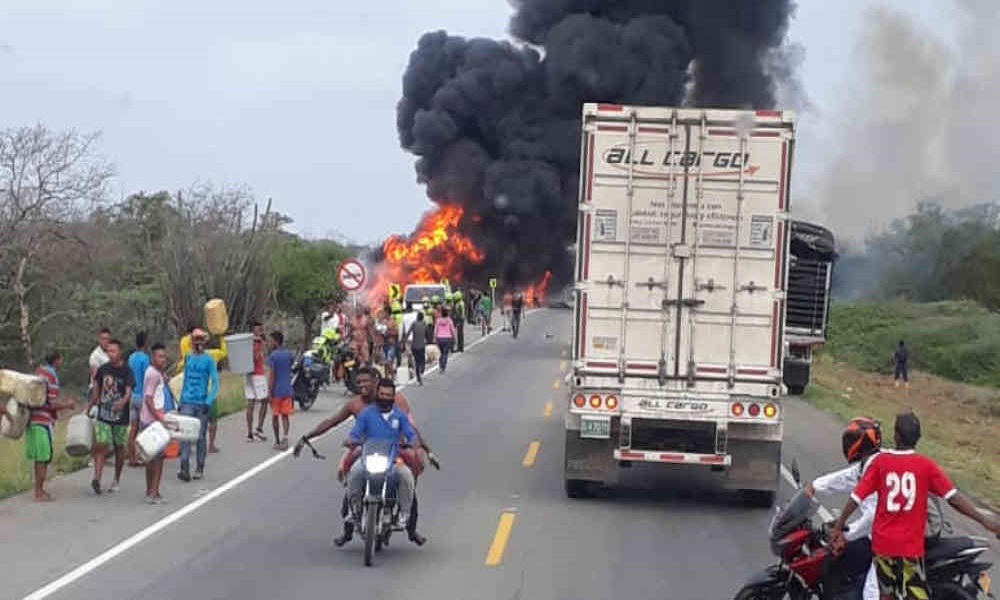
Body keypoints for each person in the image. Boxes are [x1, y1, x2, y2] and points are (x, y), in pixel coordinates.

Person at [831, 411, 1000, 600]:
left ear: (895, 436)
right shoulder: (926, 466)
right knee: (915, 594)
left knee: (885, 594)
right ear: (918, 438)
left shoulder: (880, 464)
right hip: (909, 548)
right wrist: (986, 522)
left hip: (884, 546)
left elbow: (856, 498)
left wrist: (838, 527)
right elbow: (954, 499)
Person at [294, 367, 437, 545]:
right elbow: (333, 422)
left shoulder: (396, 401)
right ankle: (349, 527)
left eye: (366, 381)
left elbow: (410, 427)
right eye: (359, 382)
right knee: (352, 477)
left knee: (407, 480)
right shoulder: (356, 405)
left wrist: (423, 449)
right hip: (366, 449)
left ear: (377, 382)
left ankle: (411, 528)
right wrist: (307, 437)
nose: (362, 385)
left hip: (395, 450)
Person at [804, 417, 884, 600]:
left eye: (850, 439)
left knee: (838, 563)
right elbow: (846, 478)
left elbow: (873, 516)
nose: (847, 444)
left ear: (860, 443)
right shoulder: (870, 462)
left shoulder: (876, 467)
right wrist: (814, 486)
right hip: (876, 534)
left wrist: (846, 536)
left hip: (881, 539)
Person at [342, 378, 418, 543]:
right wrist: (351, 440)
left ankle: (404, 515)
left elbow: (411, 434)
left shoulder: (399, 416)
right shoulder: (366, 414)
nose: (385, 397)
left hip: (393, 459)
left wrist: (412, 442)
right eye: (382, 394)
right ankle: (354, 511)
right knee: (354, 473)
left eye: (388, 395)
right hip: (368, 457)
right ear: (377, 394)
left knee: (406, 476)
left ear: (393, 397)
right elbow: (355, 433)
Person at [87, 339, 135, 495]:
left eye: (114, 351)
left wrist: (123, 402)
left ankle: (116, 479)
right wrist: (91, 405)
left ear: (120, 352)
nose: (111, 354)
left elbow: (128, 391)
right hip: (104, 414)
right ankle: (97, 478)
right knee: (102, 444)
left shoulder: (127, 370)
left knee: (119, 447)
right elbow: (97, 388)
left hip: (121, 417)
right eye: (108, 351)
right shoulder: (103, 369)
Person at [29, 350, 77, 501]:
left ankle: (39, 490)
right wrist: (67, 405)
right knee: (43, 458)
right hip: (42, 420)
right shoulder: (51, 378)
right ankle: (39, 492)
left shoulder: (39, 372)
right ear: (56, 360)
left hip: (32, 420)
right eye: (61, 359)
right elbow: (51, 404)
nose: (61, 362)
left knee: (40, 457)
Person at [177, 328, 220, 482]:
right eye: (196, 339)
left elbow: (215, 382)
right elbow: (185, 379)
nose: (198, 343)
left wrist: (209, 401)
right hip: (187, 402)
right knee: (185, 435)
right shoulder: (188, 358)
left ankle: (199, 467)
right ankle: (184, 466)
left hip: (202, 403)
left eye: (201, 340)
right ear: (192, 341)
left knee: (200, 436)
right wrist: (181, 401)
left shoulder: (208, 360)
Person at [177, 324, 227, 453]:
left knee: (203, 425)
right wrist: (221, 336)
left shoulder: (194, 357)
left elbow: (181, 371)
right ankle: (210, 445)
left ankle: (204, 446)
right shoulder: (211, 354)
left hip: (206, 395)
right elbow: (224, 351)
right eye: (196, 339)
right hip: (200, 397)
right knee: (210, 421)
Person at [141, 343, 171, 504]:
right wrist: (159, 417)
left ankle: (150, 490)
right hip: (153, 421)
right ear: (152, 358)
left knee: (150, 457)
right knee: (158, 458)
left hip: (147, 419)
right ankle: (154, 492)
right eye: (160, 357)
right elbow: (148, 398)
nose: (163, 360)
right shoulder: (153, 375)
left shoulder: (153, 373)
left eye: (164, 357)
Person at [267, 331, 295, 450]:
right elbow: (291, 366)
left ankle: (277, 440)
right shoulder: (289, 354)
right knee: (285, 416)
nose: (269, 343)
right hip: (287, 389)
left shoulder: (273, 356)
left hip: (277, 391)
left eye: (271, 341)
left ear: (275, 341)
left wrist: (269, 392)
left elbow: (272, 376)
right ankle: (285, 437)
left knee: (275, 416)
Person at [126, 332, 150, 467]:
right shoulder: (144, 358)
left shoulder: (131, 358)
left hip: (132, 396)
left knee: (133, 428)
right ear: (145, 343)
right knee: (144, 429)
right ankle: (142, 456)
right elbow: (147, 378)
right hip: (141, 396)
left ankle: (131, 457)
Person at [244, 321, 269, 443]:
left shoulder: (246, 342)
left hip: (248, 375)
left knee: (251, 403)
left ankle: (249, 433)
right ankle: (259, 428)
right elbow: (256, 357)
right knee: (264, 401)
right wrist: (260, 348)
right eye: (258, 330)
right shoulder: (257, 342)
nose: (261, 332)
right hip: (258, 374)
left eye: (261, 329)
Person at [88, 327, 112, 396]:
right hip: (96, 391)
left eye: (108, 339)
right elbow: (95, 377)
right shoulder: (95, 356)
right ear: (99, 340)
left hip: (109, 391)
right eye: (103, 339)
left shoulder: (111, 353)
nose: (106, 341)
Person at [406, 312, 428, 385]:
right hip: (422, 345)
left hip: (414, 346)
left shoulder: (414, 324)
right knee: (422, 360)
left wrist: (404, 340)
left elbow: (408, 333)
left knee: (417, 362)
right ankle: (422, 371)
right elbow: (427, 333)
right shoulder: (424, 324)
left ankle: (419, 378)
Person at [434, 307, 458, 373]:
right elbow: (452, 330)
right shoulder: (449, 320)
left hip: (439, 338)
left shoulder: (438, 320)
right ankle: (443, 367)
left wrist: (435, 338)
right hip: (447, 338)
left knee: (441, 353)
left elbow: (435, 330)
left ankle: (440, 364)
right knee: (445, 353)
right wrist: (454, 338)